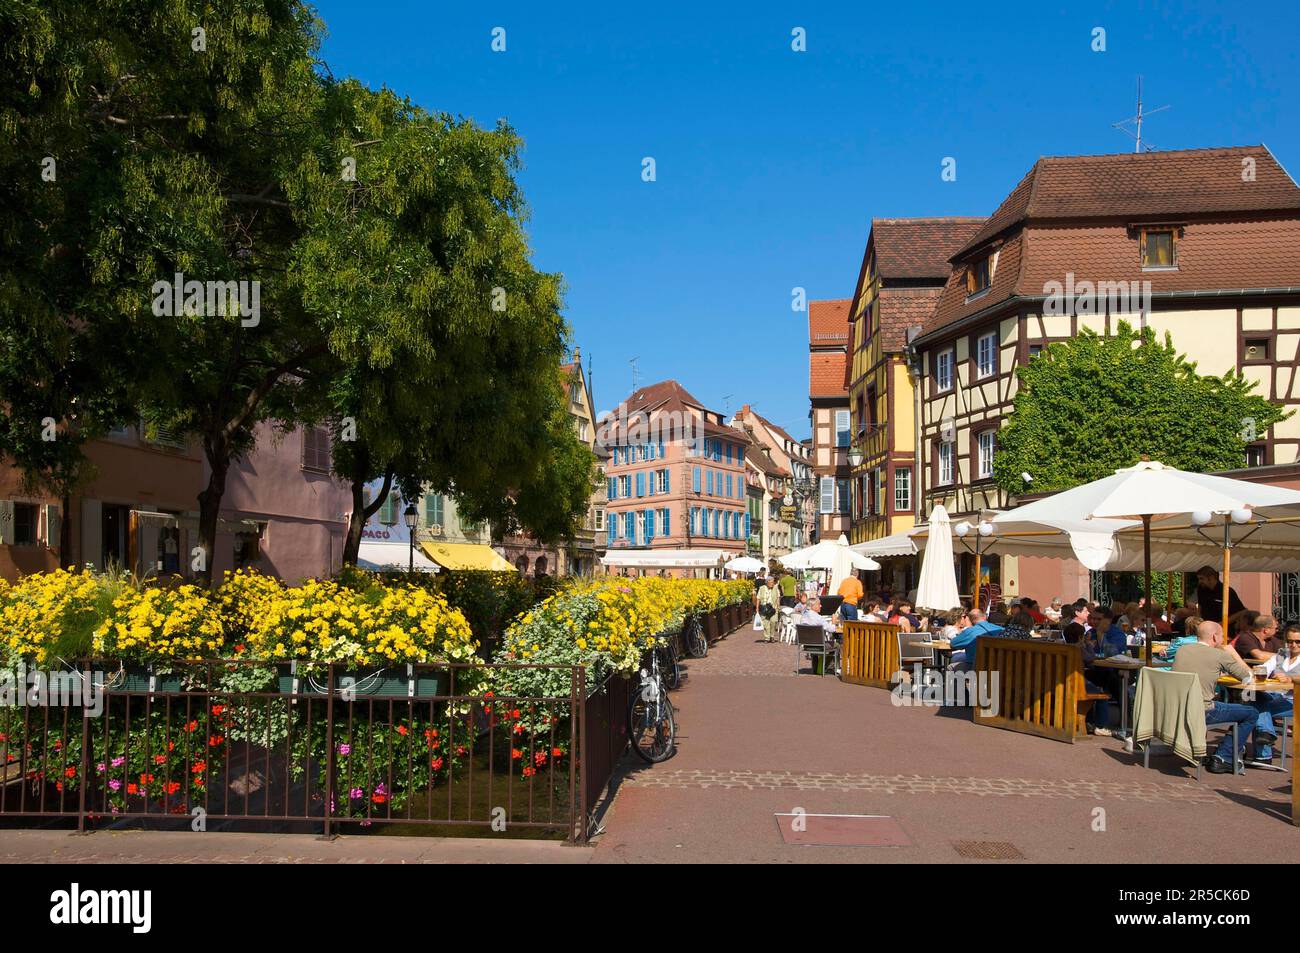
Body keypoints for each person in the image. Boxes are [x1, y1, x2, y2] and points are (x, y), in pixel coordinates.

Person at [1172, 621, 1259, 773]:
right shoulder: (1219, 654)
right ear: (1214, 637)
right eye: (1222, 636)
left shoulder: (1182, 650)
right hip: (1202, 711)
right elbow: (1247, 677)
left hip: (1178, 708)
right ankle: (1224, 757)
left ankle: (1198, 752)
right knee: (1251, 713)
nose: (1223, 639)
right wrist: (1232, 653)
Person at [1252, 622, 1300, 764]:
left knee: (1255, 707)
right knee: (1257, 701)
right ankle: (1267, 735)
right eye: (1290, 641)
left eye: (1298, 641)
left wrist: (1291, 678)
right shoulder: (1281, 654)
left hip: (1294, 699)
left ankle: (1263, 755)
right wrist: (1258, 671)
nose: (1294, 645)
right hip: (1274, 696)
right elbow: (1264, 668)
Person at [1194, 565, 1248, 629]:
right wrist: (1198, 620)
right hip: (1206, 628)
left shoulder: (1227, 591)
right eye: (1199, 579)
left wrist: (1222, 624)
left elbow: (1242, 611)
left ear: (1211, 577)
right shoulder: (1201, 589)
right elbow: (1200, 605)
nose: (1199, 581)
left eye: (1201, 578)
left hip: (1224, 630)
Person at [755, 574, 781, 644]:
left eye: (773, 582)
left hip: (773, 608)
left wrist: (778, 606)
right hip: (764, 608)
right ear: (767, 582)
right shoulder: (761, 588)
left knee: (773, 622)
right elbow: (758, 598)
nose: (772, 584)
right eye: (771, 582)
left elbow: (778, 597)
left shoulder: (776, 588)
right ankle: (767, 637)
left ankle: (772, 636)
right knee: (766, 623)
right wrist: (757, 608)